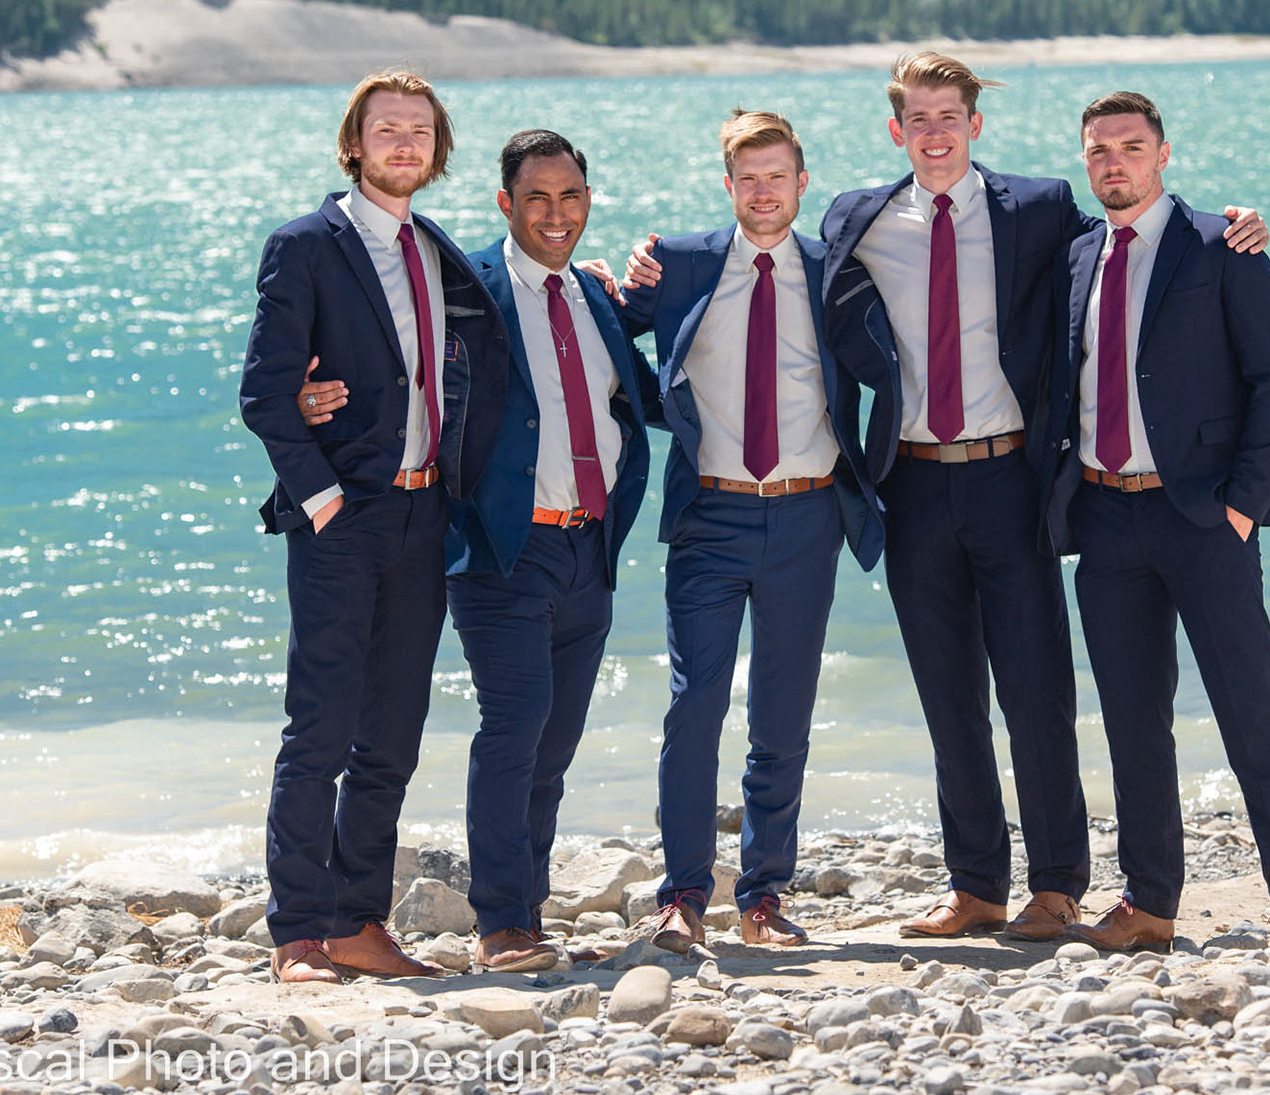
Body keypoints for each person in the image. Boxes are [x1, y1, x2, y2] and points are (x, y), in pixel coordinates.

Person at [816, 54, 1269, 942]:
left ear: (975, 125)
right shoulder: (859, 217)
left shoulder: (1039, 206)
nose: (935, 132)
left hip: (1009, 476)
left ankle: (1058, 881)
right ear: (895, 128)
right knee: (949, 696)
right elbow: (785, 264)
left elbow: (1139, 225)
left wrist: (1238, 223)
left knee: (1036, 688)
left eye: (950, 116)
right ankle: (977, 883)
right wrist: (642, 273)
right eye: (918, 118)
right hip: (911, 477)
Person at [239, 70, 507, 984]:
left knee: (392, 732)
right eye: (386, 129)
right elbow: (266, 394)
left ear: (437, 150)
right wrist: (320, 501)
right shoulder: (306, 244)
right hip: (342, 521)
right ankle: (298, 932)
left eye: (420, 130)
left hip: (425, 513)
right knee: (319, 728)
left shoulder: (437, 250)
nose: (404, 143)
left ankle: (360, 921)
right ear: (354, 143)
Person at [1042, 90, 1270, 954]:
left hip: (1203, 517)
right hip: (1106, 515)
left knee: (1252, 706)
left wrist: (1242, 503)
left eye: (1130, 146)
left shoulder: (1221, 244)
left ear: (1164, 154)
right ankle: (1150, 901)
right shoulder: (1076, 257)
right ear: (1086, 162)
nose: (1114, 162)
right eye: (1099, 151)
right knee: (1132, 717)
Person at [616, 109, 884, 953]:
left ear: (802, 184)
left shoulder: (832, 268)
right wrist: (602, 276)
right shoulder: (685, 262)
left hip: (808, 512)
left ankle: (763, 893)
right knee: (694, 703)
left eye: (778, 177)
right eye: (748, 178)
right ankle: (684, 894)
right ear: (726, 185)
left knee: (783, 712)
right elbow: (594, 326)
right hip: (711, 511)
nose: (763, 192)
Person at [439, 129, 659, 973]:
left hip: (588, 548)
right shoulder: (474, 290)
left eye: (570, 197)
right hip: (504, 550)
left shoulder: (595, 296)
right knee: (515, 724)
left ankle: (527, 910)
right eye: (537, 198)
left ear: (588, 202)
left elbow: (634, 398)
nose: (555, 214)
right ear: (506, 204)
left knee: (555, 741)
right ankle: (499, 923)